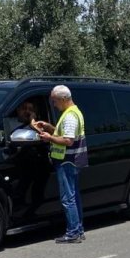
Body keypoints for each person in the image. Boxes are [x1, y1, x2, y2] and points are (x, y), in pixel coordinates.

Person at [32, 85, 88, 244]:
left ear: (63, 99)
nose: (54, 104)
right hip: (73, 160)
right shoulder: (73, 112)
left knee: (67, 198)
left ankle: (73, 233)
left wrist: (49, 138)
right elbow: (64, 133)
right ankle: (79, 229)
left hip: (67, 160)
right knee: (74, 196)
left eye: (55, 101)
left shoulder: (70, 116)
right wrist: (50, 128)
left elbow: (67, 140)